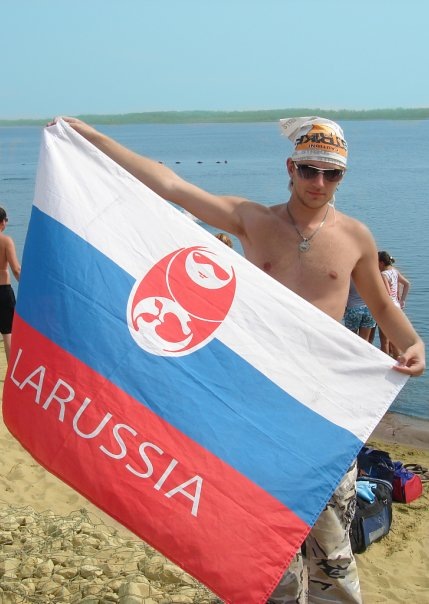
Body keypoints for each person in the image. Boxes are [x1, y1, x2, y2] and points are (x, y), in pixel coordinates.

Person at [50, 115, 425, 604]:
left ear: (342, 177)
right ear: (290, 167)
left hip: (325, 407)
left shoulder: (356, 236)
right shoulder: (254, 220)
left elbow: (381, 306)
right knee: (266, 532)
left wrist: (412, 342)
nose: (318, 183)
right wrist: (95, 139)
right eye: (309, 170)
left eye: (331, 174)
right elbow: (172, 187)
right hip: (259, 401)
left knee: (333, 541)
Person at [378, 251, 410, 358]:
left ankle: (386, 363)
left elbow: (387, 293)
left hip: (388, 308)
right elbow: (407, 284)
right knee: (394, 338)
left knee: (384, 340)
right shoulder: (394, 271)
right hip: (397, 307)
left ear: (381, 263)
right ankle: (399, 361)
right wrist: (402, 301)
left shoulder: (383, 274)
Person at [0, 207, 21, 361]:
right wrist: (28, 287)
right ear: (2, 222)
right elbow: (16, 270)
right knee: (8, 332)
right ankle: (11, 369)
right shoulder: (6, 241)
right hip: (3, 292)